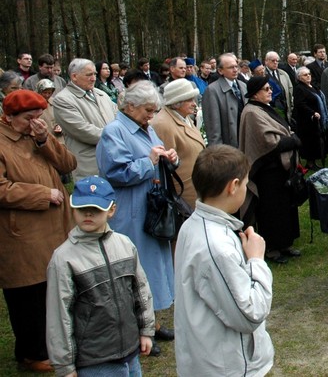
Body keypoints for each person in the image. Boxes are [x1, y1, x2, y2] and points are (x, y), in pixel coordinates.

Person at [175, 145, 274, 376]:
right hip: (227, 366)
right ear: (233, 186)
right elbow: (250, 315)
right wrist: (256, 260)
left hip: (206, 358)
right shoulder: (216, 248)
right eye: (245, 183)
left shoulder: (193, 224)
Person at [96, 82, 179, 355]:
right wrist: (149, 161)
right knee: (135, 271)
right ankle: (136, 331)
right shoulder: (113, 132)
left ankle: (152, 323)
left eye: (154, 111)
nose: (151, 116)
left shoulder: (146, 128)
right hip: (131, 212)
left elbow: (155, 156)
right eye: (147, 110)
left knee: (154, 270)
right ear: (130, 106)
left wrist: (170, 159)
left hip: (151, 209)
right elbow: (115, 172)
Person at [46, 176, 155, 376]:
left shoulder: (125, 245)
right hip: (94, 360)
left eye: (96, 209)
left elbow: (141, 290)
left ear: (111, 210)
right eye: (82, 208)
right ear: (73, 208)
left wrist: (146, 330)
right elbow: (59, 315)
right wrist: (64, 365)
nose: (88, 213)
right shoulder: (63, 258)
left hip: (130, 351)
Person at [0, 90, 76, 372]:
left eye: (39, 117)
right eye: (28, 118)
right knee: (28, 293)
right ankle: (31, 352)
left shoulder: (37, 135)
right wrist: (42, 194)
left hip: (55, 227)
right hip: (21, 233)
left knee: (51, 288)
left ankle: (53, 343)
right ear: (9, 118)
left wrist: (45, 141)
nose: (35, 123)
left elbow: (68, 164)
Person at [239, 76, 302, 264]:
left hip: (280, 170)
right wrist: (292, 140)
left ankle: (286, 243)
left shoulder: (263, 108)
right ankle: (272, 248)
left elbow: (281, 129)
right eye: (266, 89)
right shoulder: (251, 112)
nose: (270, 91)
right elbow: (267, 142)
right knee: (271, 210)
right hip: (267, 172)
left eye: (270, 88)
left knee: (285, 207)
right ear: (255, 93)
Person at [51, 58, 117, 180]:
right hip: (90, 164)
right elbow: (82, 130)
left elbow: (118, 116)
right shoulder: (62, 100)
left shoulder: (101, 94)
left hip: (114, 159)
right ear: (74, 76)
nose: (93, 78)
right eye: (89, 75)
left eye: (95, 74)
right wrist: (117, 136)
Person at [150, 79, 205, 209]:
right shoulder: (163, 124)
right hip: (182, 195)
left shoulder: (183, 116)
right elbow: (166, 167)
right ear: (176, 103)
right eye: (189, 100)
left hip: (195, 187)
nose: (194, 104)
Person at [203, 53, 248, 147]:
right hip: (228, 146)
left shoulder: (243, 86)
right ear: (220, 71)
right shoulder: (212, 90)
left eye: (236, 66)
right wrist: (218, 151)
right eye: (231, 67)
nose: (235, 70)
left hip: (245, 142)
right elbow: (213, 127)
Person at [293, 66, 328, 169]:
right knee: (309, 142)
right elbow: (300, 104)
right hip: (307, 120)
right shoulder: (299, 88)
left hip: (316, 120)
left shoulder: (312, 86)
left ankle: (314, 161)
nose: (308, 76)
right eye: (305, 75)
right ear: (299, 77)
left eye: (309, 74)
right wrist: (312, 113)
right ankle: (310, 163)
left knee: (315, 141)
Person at [264, 51, 294, 122]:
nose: (275, 62)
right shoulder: (263, 74)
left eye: (277, 61)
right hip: (271, 110)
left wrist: (291, 106)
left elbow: (290, 90)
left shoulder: (283, 74)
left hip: (285, 109)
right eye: (273, 60)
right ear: (266, 61)